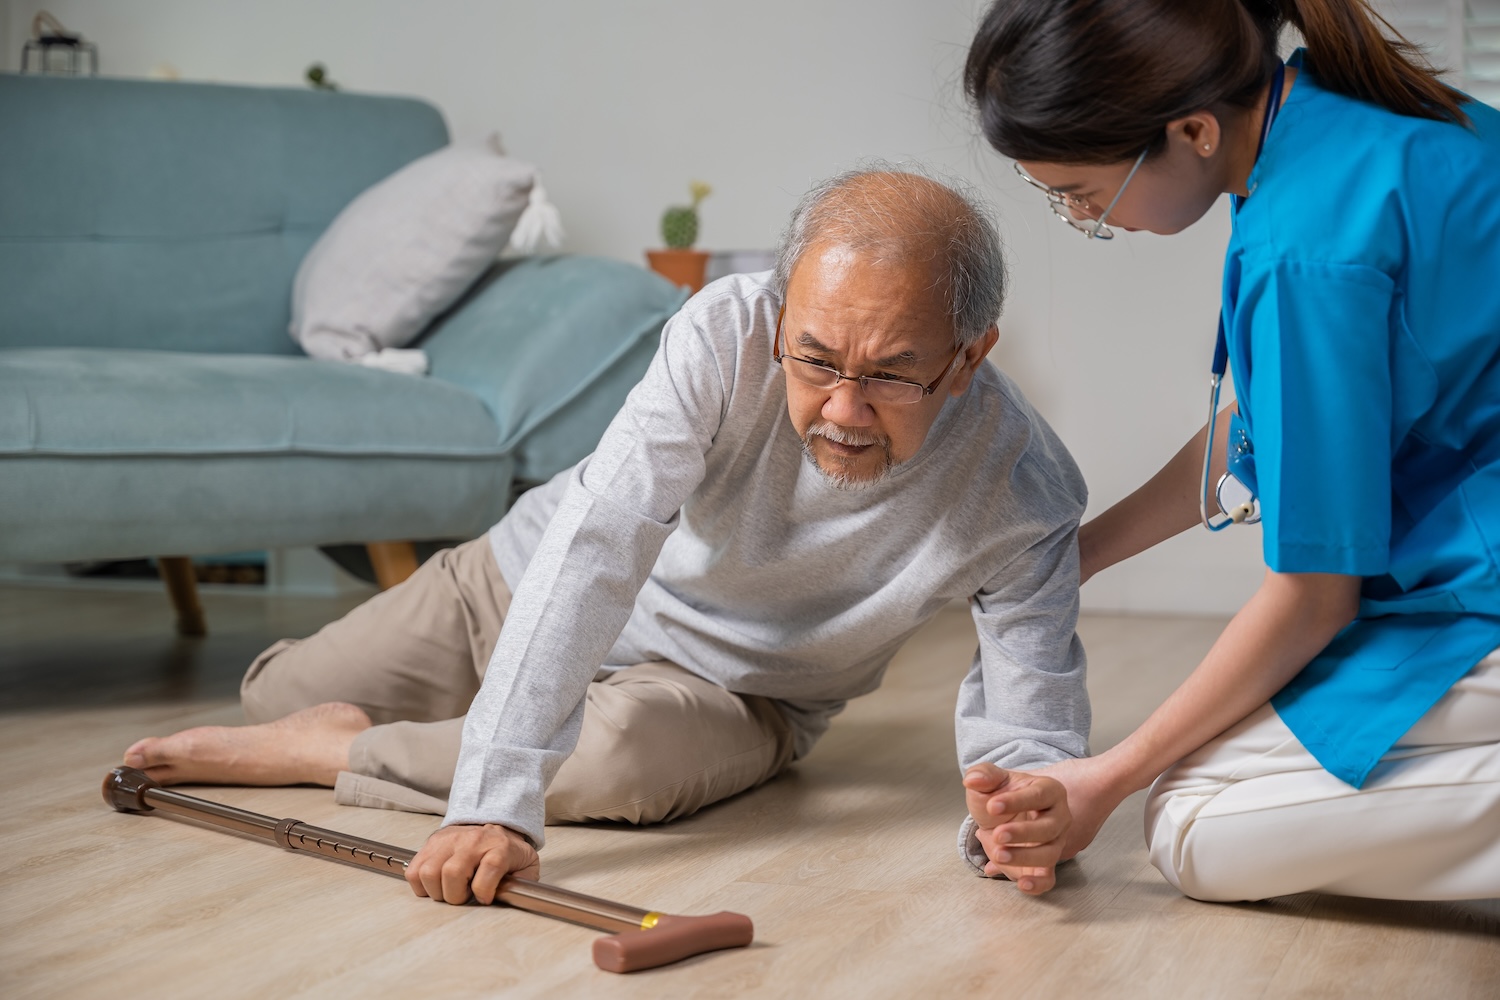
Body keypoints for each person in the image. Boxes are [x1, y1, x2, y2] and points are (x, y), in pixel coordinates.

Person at [124, 169, 1091, 901]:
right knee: (274, 691)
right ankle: (332, 728)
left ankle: (337, 756)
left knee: (622, 759)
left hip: (729, 691)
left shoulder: (1025, 491)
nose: (841, 408)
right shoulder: (724, 331)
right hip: (520, 580)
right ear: (781, 309)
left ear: (970, 358)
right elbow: (597, 547)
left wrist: (1019, 823)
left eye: (890, 375)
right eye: (815, 357)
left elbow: (1033, 724)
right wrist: (496, 789)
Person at [963, 0, 1500, 901]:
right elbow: (1269, 427)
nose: (1078, 214)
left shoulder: (1306, 252)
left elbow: (1312, 598)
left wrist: (1107, 776)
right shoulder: (1335, 120)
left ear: (1194, 130)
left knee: (1192, 823)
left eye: (1080, 193)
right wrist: (1075, 558)